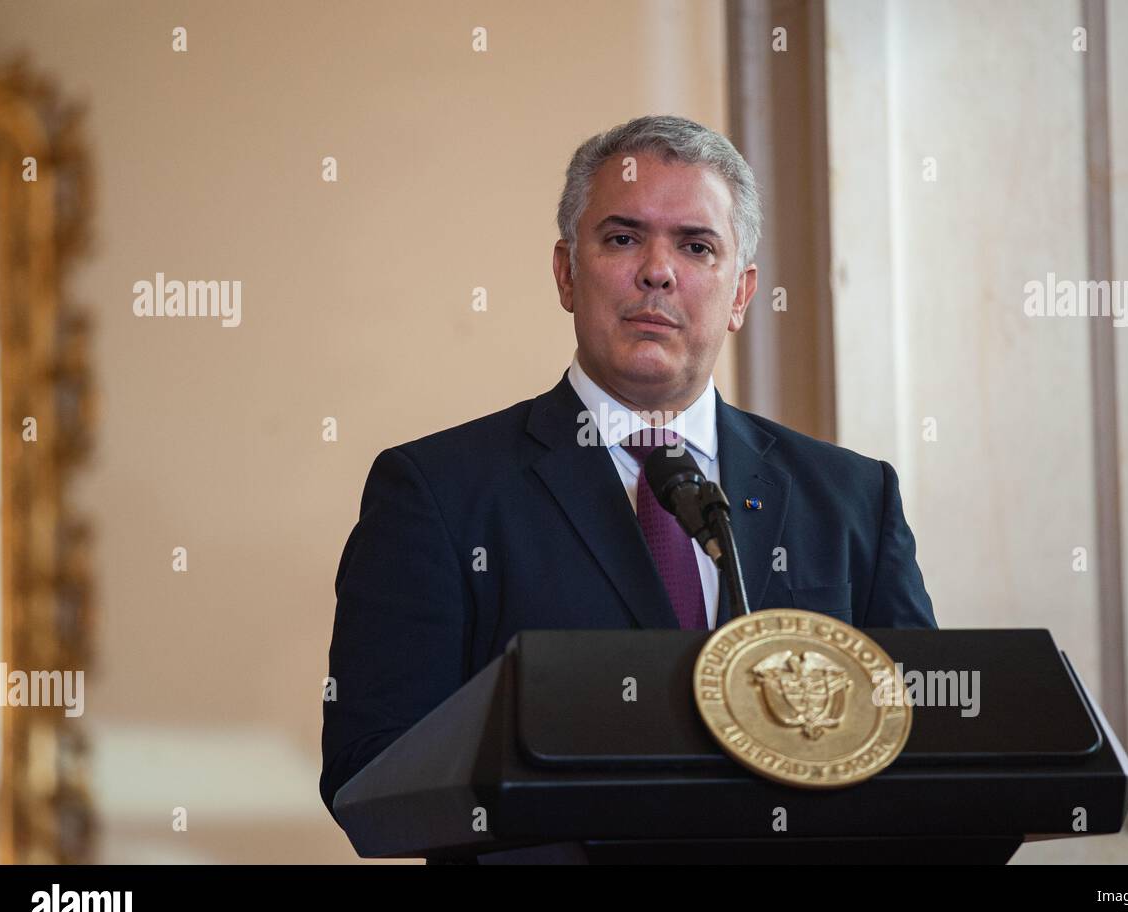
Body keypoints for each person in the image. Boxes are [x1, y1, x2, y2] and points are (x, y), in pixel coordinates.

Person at [321, 115, 936, 821]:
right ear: (565, 273)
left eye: (697, 246)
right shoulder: (438, 493)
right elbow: (368, 772)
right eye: (622, 238)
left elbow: (929, 743)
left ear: (740, 294)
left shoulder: (854, 497)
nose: (657, 270)